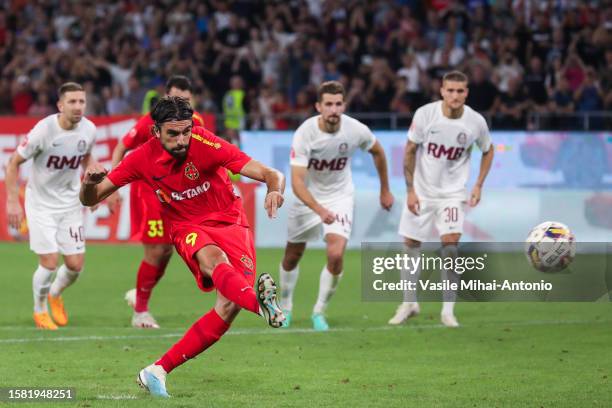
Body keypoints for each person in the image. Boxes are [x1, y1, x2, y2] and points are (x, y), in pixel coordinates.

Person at [79, 96, 285, 397]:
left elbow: (270, 173)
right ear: (156, 132)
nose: (182, 140)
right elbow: (91, 197)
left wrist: (274, 189)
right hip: (186, 227)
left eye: (186, 131)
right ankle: (259, 305)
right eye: (173, 133)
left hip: (231, 221)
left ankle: (157, 370)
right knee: (214, 261)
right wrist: (88, 183)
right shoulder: (141, 159)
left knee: (227, 306)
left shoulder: (206, 143)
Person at [279, 81, 394, 331]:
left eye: (338, 104)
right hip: (307, 198)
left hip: (340, 196)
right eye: (328, 104)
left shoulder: (356, 130)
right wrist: (319, 210)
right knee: (292, 256)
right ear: (318, 106)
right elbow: (297, 182)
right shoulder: (305, 133)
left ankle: (319, 311)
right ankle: (285, 306)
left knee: (335, 254)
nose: (333, 109)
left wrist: (384, 189)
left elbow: (378, 152)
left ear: (344, 105)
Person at [388, 70, 494, 328]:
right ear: (442, 91)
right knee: (411, 244)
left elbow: (488, 151)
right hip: (423, 191)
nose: (455, 96)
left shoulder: (475, 122)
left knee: (450, 245)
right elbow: (410, 150)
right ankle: (409, 303)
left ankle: (448, 310)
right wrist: (410, 190)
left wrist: (478, 184)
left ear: (466, 93)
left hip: (453, 194)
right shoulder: (425, 114)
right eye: (450, 90)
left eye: (460, 91)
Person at [108, 75, 205, 329]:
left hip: (177, 194)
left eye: (184, 99)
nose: (179, 105)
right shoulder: (151, 121)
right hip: (149, 193)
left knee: (166, 252)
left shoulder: (197, 123)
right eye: (174, 98)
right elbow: (121, 147)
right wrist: (113, 185)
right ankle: (140, 311)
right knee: (156, 250)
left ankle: (140, 295)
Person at [5, 82, 97, 330]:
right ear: (60, 105)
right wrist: (13, 201)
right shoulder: (43, 131)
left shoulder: (89, 129)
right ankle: (39, 310)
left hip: (70, 203)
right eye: (72, 102)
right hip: (41, 204)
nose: (78, 107)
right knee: (49, 261)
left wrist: (100, 190)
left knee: (75, 265)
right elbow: (13, 163)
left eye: (82, 102)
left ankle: (55, 294)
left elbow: (87, 158)